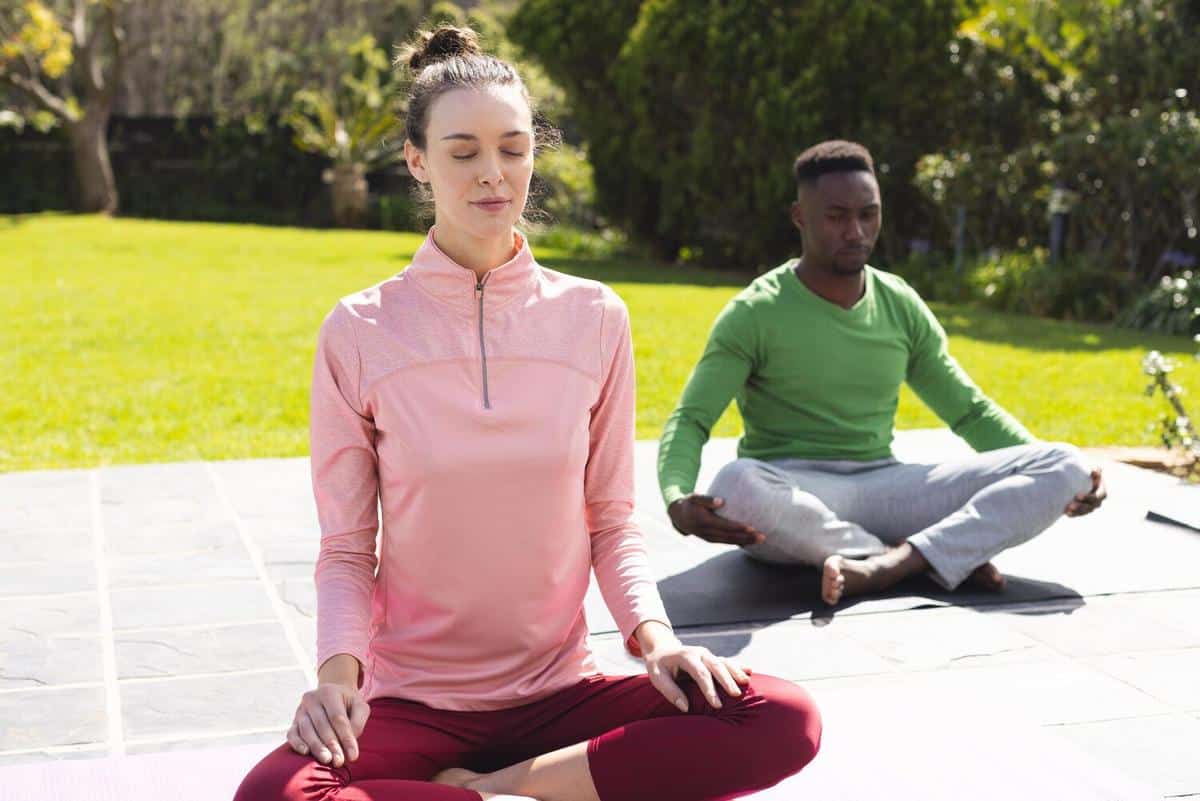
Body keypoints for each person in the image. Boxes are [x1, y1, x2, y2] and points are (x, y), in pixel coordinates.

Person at [233, 26, 821, 801]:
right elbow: (346, 547)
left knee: (782, 715)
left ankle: (495, 785)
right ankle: (543, 789)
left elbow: (612, 522)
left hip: (562, 696)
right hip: (413, 703)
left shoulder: (594, 317)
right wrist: (337, 684)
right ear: (417, 160)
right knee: (274, 795)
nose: (493, 173)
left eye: (513, 148)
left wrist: (658, 644)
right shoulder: (360, 330)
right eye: (463, 152)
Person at [658, 140, 1108, 607]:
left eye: (868, 215)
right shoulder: (755, 312)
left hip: (888, 489)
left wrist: (1048, 471)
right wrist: (677, 498)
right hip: (793, 494)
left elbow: (970, 413)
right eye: (836, 217)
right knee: (735, 487)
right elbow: (692, 418)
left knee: (1067, 464)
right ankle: (930, 555)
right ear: (800, 217)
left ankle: (888, 565)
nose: (855, 232)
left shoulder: (899, 303)